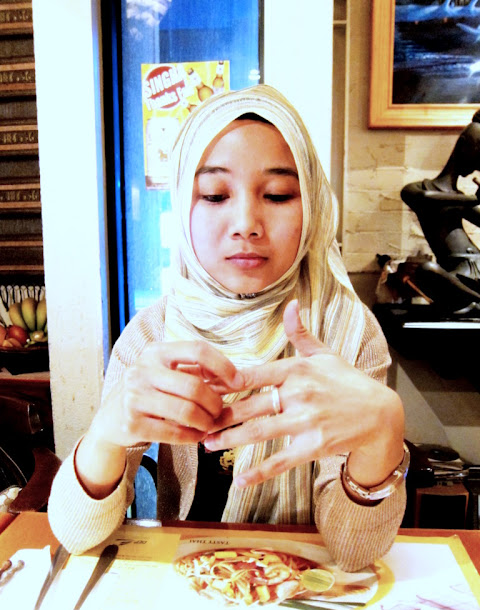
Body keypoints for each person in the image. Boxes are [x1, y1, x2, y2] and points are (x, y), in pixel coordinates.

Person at [48, 85, 407, 572]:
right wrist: (106, 436)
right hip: (187, 581)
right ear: (182, 207)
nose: (246, 223)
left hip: (298, 587)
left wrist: (382, 438)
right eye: (215, 195)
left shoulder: (348, 334)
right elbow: (76, 535)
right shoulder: (153, 336)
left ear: (313, 207)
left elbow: (353, 552)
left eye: (277, 195)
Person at [401, 110, 480, 313]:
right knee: (426, 271)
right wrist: (474, 199)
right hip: (457, 271)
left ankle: (471, 301)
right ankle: (473, 300)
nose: (476, 168)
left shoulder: (459, 198)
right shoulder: (418, 190)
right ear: (463, 145)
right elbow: (427, 199)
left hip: (475, 264)